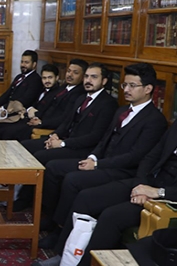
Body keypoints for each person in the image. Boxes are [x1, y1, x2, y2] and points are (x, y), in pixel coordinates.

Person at [36, 79, 177, 266]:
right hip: (146, 184)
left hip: (171, 201)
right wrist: (141, 185)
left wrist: (158, 193)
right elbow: (150, 157)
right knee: (86, 197)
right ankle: (65, 256)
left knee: (111, 216)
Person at [37, 63, 169, 244]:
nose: (126, 90)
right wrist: (92, 157)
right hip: (102, 162)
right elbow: (104, 139)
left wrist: (97, 164)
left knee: (73, 180)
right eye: (124, 85)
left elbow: (135, 156)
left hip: (123, 171)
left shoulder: (155, 120)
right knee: (55, 167)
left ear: (148, 89)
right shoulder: (122, 111)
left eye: (132, 86)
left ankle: (61, 233)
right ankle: (53, 221)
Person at [15, 63, 118, 211]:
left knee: (40, 157)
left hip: (82, 149)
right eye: (87, 76)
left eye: (94, 77)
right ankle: (22, 193)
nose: (88, 80)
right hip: (65, 140)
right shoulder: (81, 98)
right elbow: (66, 123)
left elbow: (95, 137)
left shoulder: (108, 103)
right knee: (25, 146)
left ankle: (35, 203)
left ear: (104, 81)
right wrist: (54, 136)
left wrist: (63, 144)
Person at [0, 63, 62, 141]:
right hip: (28, 117)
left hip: (40, 123)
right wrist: (28, 110)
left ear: (57, 78)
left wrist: (35, 115)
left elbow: (49, 112)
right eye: (44, 78)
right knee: (0, 126)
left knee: (8, 132)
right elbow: (31, 103)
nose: (47, 81)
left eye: (50, 78)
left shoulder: (58, 94)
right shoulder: (42, 89)